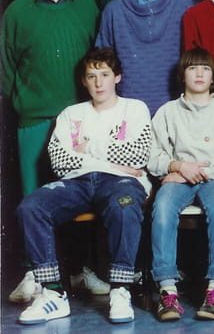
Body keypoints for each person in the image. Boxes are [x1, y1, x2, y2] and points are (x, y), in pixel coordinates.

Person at [15, 48, 151, 325]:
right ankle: (53, 293)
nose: (98, 83)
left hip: (121, 182)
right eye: (91, 76)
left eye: (105, 75)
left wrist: (88, 146)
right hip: (76, 181)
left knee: (124, 205)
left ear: (117, 77)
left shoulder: (135, 108)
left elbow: (138, 154)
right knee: (31, 207)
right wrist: (109, 157)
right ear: (84, 81)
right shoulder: (71, 113)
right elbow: (60, 161)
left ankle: (120, 289)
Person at [1, 0, 99, 199]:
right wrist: (26, 102)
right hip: (34, 121)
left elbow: (100, 61)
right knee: (33, 201)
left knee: (80, 200)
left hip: (80, 120)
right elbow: (5, 68)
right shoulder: (17, 12)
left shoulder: (87, 8)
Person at [148, 48, 214, 321]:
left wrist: (193, 171)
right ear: (182, 75)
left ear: (213, 77)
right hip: (178, 178)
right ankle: (167, 291)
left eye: (205, 69)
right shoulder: (167, 112)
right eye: (192, 68)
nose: (199, 73)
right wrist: (178, 166)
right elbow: (152, 157)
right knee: (162, 209)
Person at [96, 0, 193, 116]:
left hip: (176, 111)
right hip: (126, 111)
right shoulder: (113, 11)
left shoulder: (184, 7)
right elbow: (102, 67)